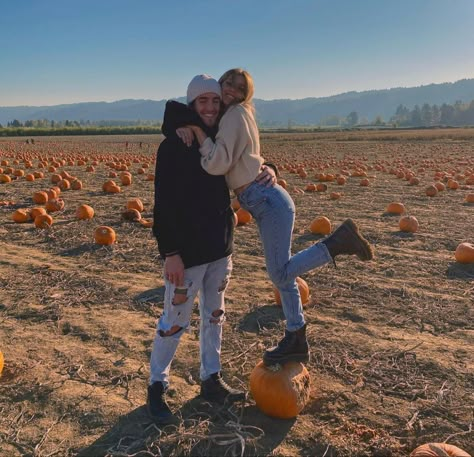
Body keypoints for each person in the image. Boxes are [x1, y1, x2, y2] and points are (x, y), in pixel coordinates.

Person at [179, 68, 374, 368]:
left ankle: (337, 243)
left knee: (280, 274)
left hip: (266, 201)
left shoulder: (233, 116)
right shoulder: (236, 114)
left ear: (247, 93)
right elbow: (246, 156)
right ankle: (296, 336)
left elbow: (218, 163)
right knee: (284, 277)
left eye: (239, 87)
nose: (231, 89)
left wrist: (201, 137)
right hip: (266, 199)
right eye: (227, 82)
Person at [148, 74, 275, 424]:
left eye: (215, 101)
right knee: (174, 321)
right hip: (186, 253)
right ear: (191, 104)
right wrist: (170, 252)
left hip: (220, 246)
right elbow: (164, 203)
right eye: (202, 101)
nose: (209, 107)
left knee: (214, 317)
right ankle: (157, 386)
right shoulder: (174, 144)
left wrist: (270, 170)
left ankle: (211, 378)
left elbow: (247, 156)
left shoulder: (220, 135)